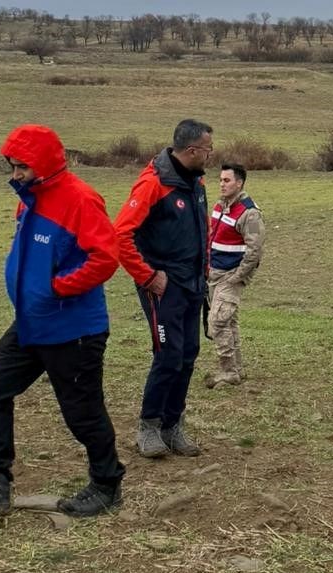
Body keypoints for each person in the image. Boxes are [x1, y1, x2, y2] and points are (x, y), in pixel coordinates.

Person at [0, 124, 124, 518]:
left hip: (73, 330)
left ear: (43, 164)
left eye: (22, 166)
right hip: (29, 324)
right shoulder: (28, 199)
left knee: (82, 413)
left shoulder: (80, 199)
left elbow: (106, 258)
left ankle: (107, 484)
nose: (15, 173)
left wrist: (59, 288)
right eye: (12, 165)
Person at [115, 119, 212, 458]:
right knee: (168, 356)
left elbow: (201, 231)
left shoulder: (195, 183)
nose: (211, 155)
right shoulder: (152, 185)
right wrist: (147, 276)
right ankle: (149, 426)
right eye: (208, 149)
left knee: (187, 355)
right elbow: (120, 235)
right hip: (163, 287)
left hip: (193, 284)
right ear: (191, 150)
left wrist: (205, 270)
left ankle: (173, 426)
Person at [205, 162, 265, 388]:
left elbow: (255, 251)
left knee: (217, 322)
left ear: (239, 183)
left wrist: (237, 277)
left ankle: (228, 371)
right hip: (215, 273)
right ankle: (237, 368)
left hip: (231, 275)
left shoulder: (250, 213)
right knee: (229, 321)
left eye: (227, 180)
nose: (222, 184)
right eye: (220, 180)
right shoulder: (220, 206)